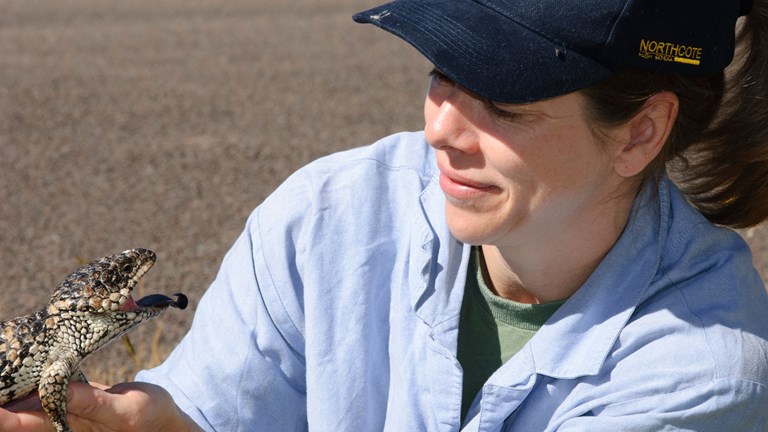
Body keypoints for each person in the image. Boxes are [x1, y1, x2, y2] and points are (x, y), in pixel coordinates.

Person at [4, 0, 768, 430]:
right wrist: (133, 420)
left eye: (503, 102)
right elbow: (215, 409)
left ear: (641, 131)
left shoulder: (699, 373)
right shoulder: (335, 217)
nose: (439, 128)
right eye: (441, 70)